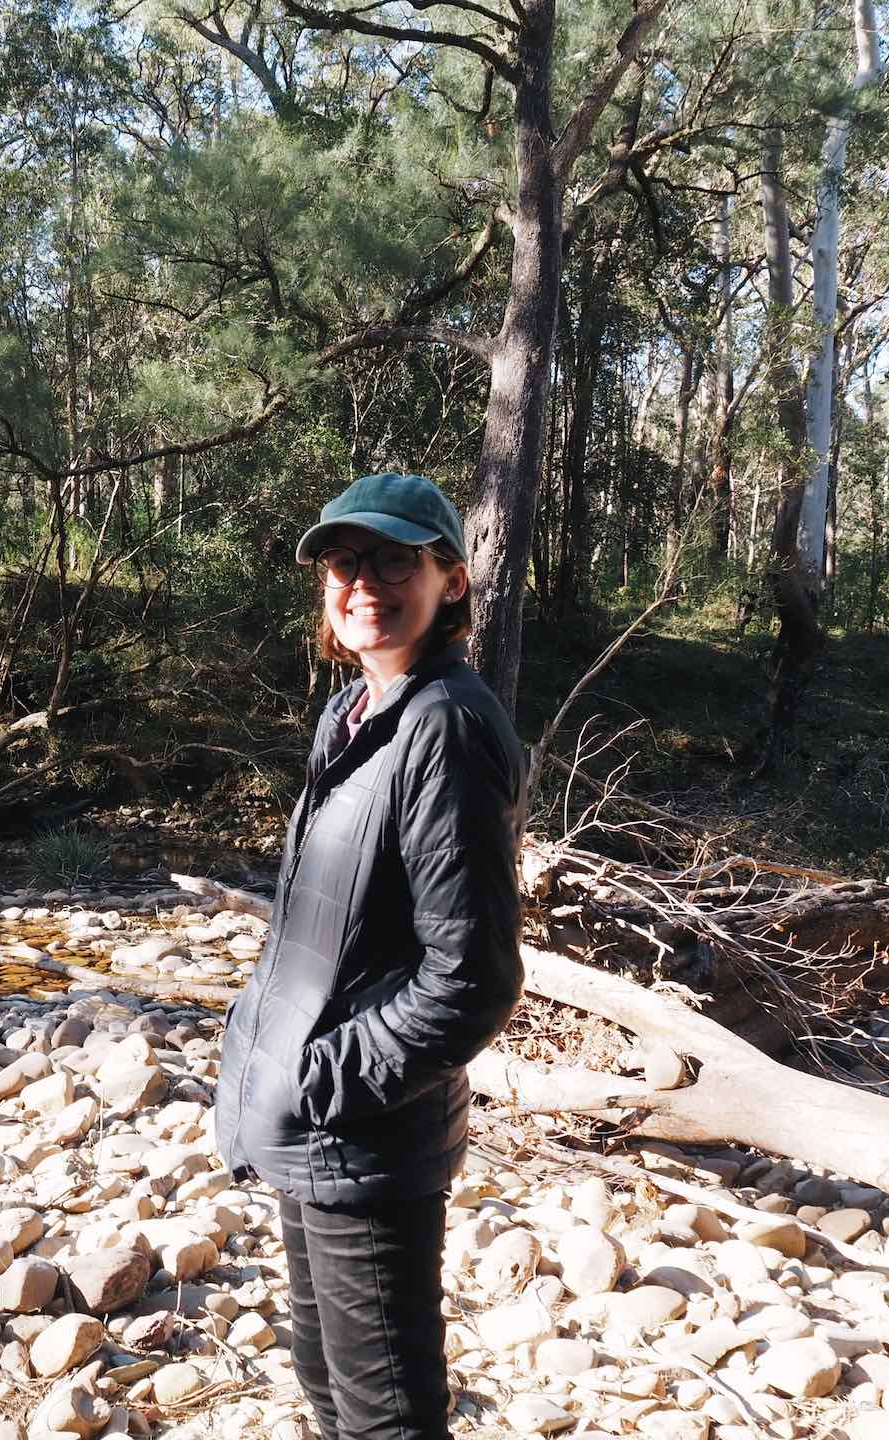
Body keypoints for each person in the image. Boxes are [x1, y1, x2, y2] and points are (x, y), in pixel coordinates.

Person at [216, 472, 525, 1440]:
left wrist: (321, 1080)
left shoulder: (446, 727)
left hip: (367, 1132)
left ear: (452, 582)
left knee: (387, 1413)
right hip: (317, 1124)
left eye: (396, 559)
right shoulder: (358, 714)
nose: (364, 582)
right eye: (346, 562)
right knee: (326, 1378)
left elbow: (471, 981)